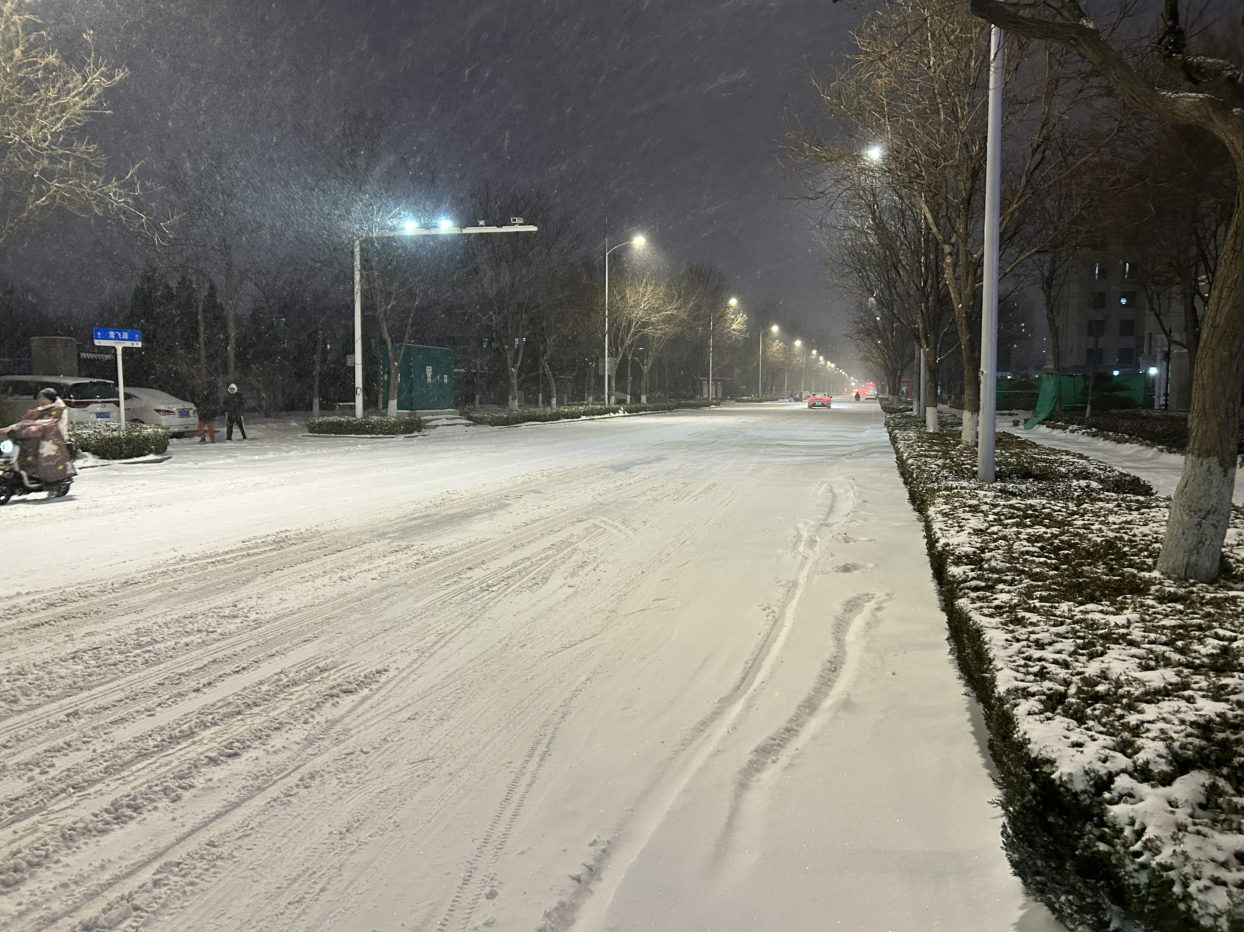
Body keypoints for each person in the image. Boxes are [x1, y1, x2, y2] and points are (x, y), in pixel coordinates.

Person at [3, 387, 76, 490]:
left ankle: (49, 479)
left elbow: (46, 424)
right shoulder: (38, 410)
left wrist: (27, 431)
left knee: (44, 457)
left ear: (50, 399)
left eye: (43, 398)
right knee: (25, 454)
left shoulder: (57, 410)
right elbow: (26, 422)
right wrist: (10, 429)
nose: (40, 400)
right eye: (40, 398)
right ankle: (30, 476)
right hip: (36, 437)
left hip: (52, 439)